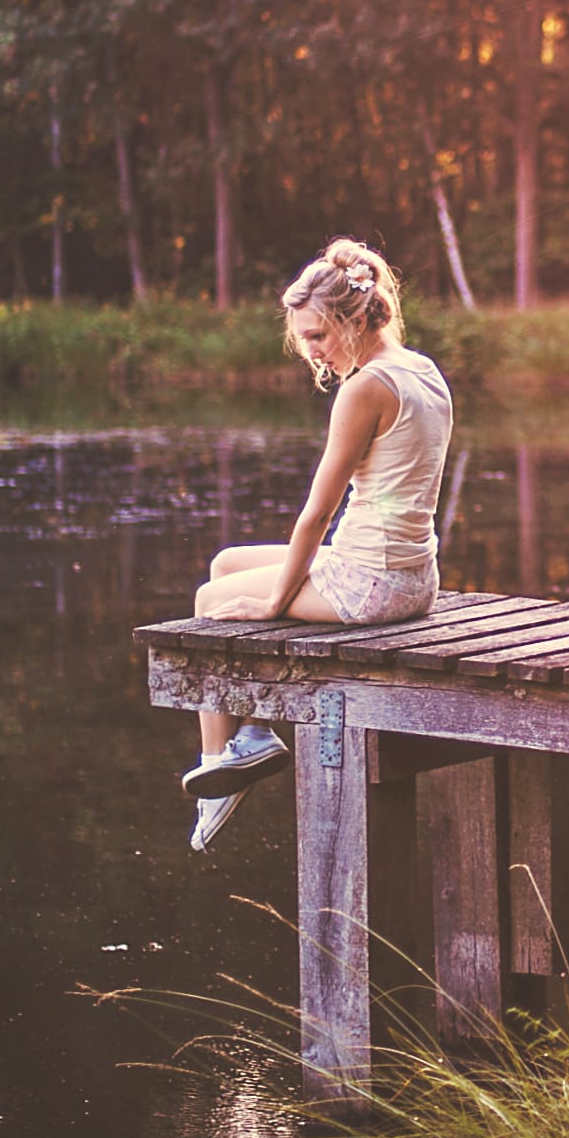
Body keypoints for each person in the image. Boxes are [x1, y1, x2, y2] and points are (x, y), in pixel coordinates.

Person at [181, 240, 454, 850]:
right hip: (411, 575)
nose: (311, 350)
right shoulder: (422, 369)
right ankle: (251, 735)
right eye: (305, 338)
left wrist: (275, 604)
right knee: (227, 562)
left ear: (355, 319)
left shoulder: (366, 390)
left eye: (318, 335)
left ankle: (219, 768)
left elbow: (316, 514)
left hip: (370, 584)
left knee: (208, 600)